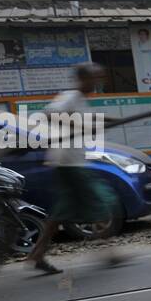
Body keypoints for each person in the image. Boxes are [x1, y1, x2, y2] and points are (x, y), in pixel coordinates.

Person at [27, 63, 120, 275]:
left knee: (61, 213)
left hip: (71, 162)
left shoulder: (79, 100)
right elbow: (49, 113)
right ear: (83, 79)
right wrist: (80, 125)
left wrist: (107, 119)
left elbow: (83, 119)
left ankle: (37, 255)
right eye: (96, 78)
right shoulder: (70, 96)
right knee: (101, 203)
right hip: (70, 163)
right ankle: (110, 253)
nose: (98, 83)